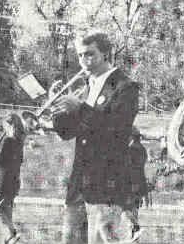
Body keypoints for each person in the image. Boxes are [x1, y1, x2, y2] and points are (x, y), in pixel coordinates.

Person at [50, 31, 139, 244]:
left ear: (106, 53)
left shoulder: (125, 86)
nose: (84, 61)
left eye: (90, 54)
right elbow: (67, 133)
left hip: (107, 181)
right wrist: (58, 108)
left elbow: (116, 131)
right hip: (80, 181)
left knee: (101, 240)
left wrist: (80, 108)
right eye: (80, 55)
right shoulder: (86, 86)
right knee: (71, 239)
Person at [0, 114, 27, 244]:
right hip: (14, 181)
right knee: (6, 211)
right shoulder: (20, 142)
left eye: (5, 124)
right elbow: (18, 161)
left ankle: (10, 236)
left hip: (3, 182)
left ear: (9, 125)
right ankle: (10, 236)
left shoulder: (7, 141)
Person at [123, 127, 148, 241]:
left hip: (132, 184)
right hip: (139, 184)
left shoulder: (132, 149)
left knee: (126, 207)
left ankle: (135, 228)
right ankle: (134, 234)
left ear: (131, 137)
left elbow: (131, 168)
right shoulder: (142, 149)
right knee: (134, 209)